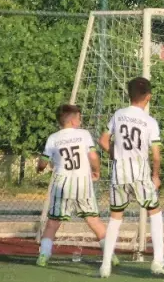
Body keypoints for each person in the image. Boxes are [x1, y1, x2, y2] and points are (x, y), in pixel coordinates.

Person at [98, 77, 164, 279]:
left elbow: (103, 140)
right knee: (155, 211)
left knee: (115, 218)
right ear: (148, 97)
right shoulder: (150, 122)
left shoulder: (118, 114)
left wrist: (116, 156)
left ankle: (105, 265)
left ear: (129, 95)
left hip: (119, 174)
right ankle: (158, 261)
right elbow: (156, 154)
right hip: (140, 175)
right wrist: (156, 176)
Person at [36, 104, 112, 267]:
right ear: (72, 121)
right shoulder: (84, 135)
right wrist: (96, 170)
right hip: (82, 182)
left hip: (62, 184)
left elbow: (43, 161)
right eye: (78, 117)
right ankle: (110, 255)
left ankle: (43, 255)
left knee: (53, 223)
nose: (80, 120)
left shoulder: (53, 138)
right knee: (93, 220)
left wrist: (40, 167)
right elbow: (92, 156)